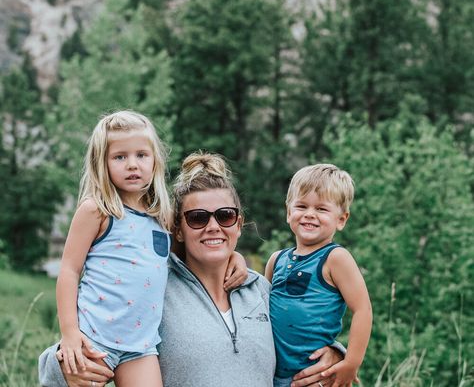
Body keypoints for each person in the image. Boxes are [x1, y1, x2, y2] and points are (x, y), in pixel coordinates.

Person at [39, 153, 343, 387]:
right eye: (198, 218)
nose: (213, 227)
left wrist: (335, 353)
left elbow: (300, 333)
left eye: (225, 216)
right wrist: (63, 364)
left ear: (238, 224)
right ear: (178, 229)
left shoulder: (262, 290)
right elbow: (92, 342)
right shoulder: (155, 290)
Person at [55, 110, 173, 386]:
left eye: (141, 155)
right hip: (94, 337)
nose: (132, 164)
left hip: (141, 347)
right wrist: (70, 334)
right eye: (120, 157)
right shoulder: (97, 210)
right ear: (103, 163)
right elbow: (69, 271)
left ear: (155, 160)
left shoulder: (163, 216)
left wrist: (235, 260)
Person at [266, 163, 372, 387]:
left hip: (311, 376)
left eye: (322, 209)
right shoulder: (276, 260)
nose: (309, 215)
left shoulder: (335, 258)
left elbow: (363, 309)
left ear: (341, 219)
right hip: (270, 375)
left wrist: (351, 363)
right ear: (288, 212)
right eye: (301, 206)